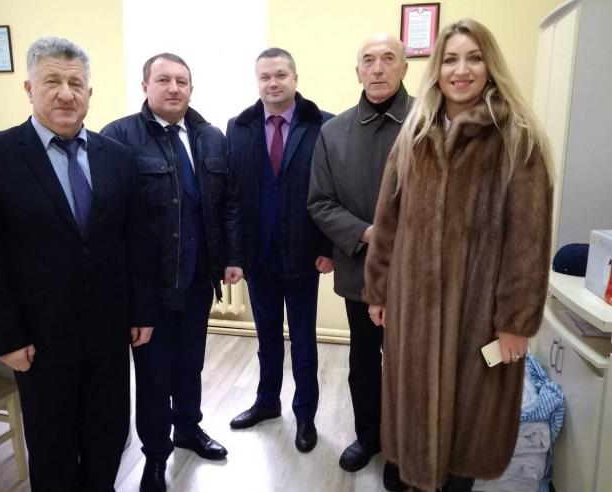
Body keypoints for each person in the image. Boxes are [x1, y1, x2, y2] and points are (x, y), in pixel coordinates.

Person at [363, 19, 553, 492]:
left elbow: (528, 243)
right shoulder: (416, 134)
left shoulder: (516, 139)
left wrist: (515, 321)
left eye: (473, 58)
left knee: (468, 430)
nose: (461, 70)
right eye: (450, 60)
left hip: (481, 320)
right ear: (437, 69)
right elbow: (387, 221)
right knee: (412, 417)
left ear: (490, 67)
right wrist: (379, 290)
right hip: (412, 312)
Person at [0, 36, 154, 492]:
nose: (66, 94)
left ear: (90, 92)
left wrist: (142, 311)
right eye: (52, 82)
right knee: (52, 448)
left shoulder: (119, 158)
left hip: (109, 333)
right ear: (29, 88)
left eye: (76, 83)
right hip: (39, 339)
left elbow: (137, 242)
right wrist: (6, 336)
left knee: (108, 437)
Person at [101, 53, 243, 492]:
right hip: (150, 287)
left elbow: (227, 204)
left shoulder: (210, 136)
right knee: (153, 376)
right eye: (163, 80)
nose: (174, 88)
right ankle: (156, 455)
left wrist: (232, 256)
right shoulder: (118, 137)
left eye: (182, 81)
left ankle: (188, 428)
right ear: (145, 86)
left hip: (199, 280)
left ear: (191, 89)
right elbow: (110, 220)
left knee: (189, 365)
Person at [307, 33, 412, 480]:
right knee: (364, 361)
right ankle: (368, 436)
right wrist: (369, 233)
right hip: (360, 269)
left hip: (416, 273)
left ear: (404, 68)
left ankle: (403, 449)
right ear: (357, 72)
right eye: (368, 60)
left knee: (409, 366)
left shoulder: (431, 124)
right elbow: (320, 202)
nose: (378, 68)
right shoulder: (333, 132)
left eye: (388, 58)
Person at [226, 48, 333, 453]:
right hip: (259, 256)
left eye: (280, 75)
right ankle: (267, 402)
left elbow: (332, 192)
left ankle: (305, 414)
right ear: (257, 81)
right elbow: (233, 195)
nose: (273, 83)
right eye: (265, 76)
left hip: (304, 254)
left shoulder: (323, 125)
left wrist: (329, 247)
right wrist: (235, 255)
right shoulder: (239, 127)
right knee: (266, 336)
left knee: (303, 340)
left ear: (295, 78)